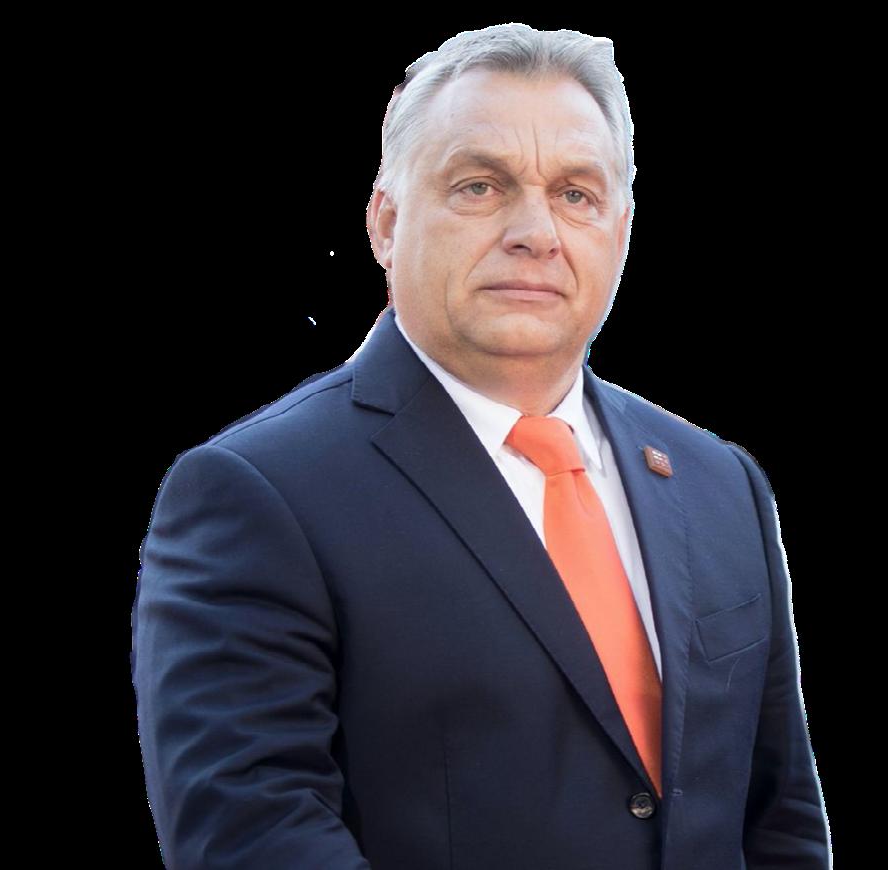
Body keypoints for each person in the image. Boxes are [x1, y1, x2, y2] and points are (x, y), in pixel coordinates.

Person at [131, 25, 831, 869]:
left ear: (621, 229)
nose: (536, 231)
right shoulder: (256, 494)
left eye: (576, 193)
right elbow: (254, 838)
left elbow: (779, 819)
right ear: (386, 224)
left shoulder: (722, 483)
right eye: (480, 186)